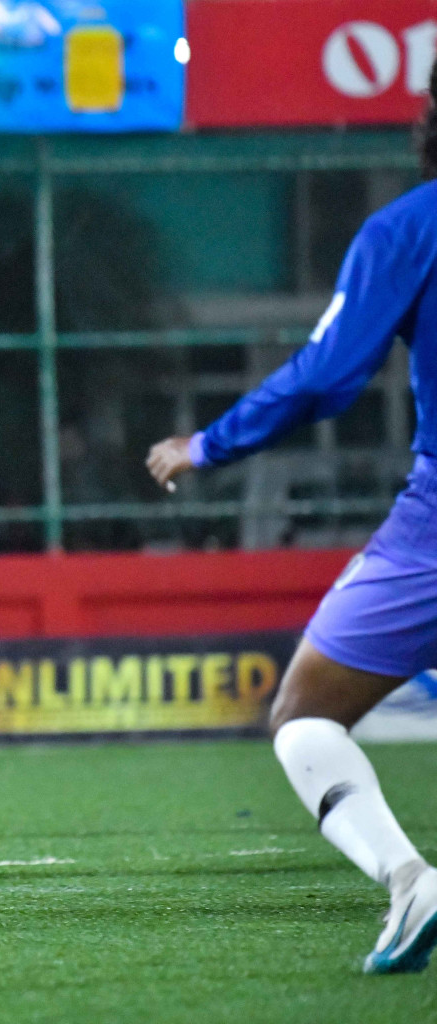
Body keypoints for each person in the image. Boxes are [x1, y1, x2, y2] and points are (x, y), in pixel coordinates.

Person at [146, 71, 437, 975]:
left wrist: (208, 445)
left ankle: (411, 881)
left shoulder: (411, 224)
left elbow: (325, 377)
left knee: (306, 711)